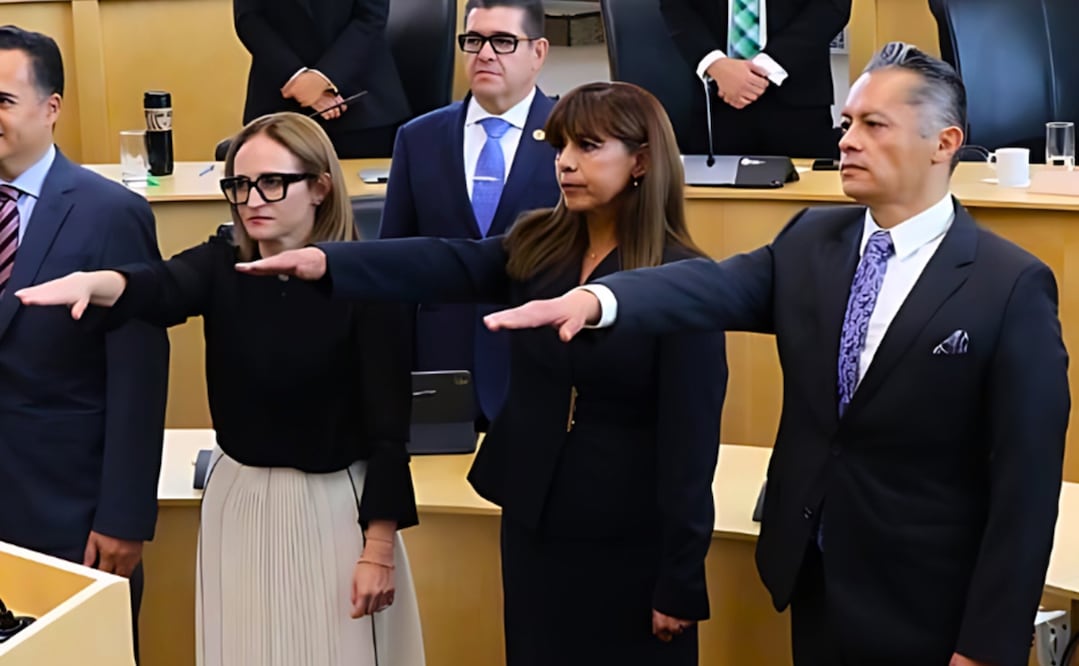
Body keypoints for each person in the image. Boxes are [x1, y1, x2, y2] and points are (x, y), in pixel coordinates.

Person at [484, 43, 1070, 666]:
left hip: (929, 602)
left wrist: (987, 646)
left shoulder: (1010, 285)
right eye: (847, 123)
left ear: (944, 143)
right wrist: (599, 298)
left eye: (874, 125)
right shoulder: (811, 239)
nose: (847, 141)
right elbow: (709, 287)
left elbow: (1026, 489)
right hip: (814, 579)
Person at [231, 82, 728, 665]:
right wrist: (328, 260)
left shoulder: (684, 280)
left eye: (589, 147)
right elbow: (443, 260)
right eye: (561, 147)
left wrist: (680, 576)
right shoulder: (539, 244)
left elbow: (692, 446)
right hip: (534, 520)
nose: (565, 163)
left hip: (630, 538)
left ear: (641, 161)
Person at [17, 112, 425, 666]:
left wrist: (378, 550)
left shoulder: (368, 281)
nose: (252, 200)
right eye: (239, 184)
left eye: (272, 182)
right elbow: (160, 285)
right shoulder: (222, 264)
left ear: (320, 187)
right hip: (238, 501)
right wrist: (96, 281)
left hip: (332, 508)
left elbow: (387, 433)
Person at [0, 24, 168, 656]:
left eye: (2, 100)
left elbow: (139, 379)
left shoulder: (110, 214)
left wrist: (124, 516)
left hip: (68, 510)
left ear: (52, 107)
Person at [378, 0, 561, 428]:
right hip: (440, 370)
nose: (485, 53)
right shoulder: (418, 138)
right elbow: (394, 266)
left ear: (538, 52)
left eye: (503, 41)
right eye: (474, 40)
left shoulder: (572, 137)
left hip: (538, 369)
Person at [660, 0, 850, 157]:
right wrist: (714, 63)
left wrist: (767, 66)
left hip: (798, 101)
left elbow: (833, 6)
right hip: (714, 100)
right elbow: (675, 6)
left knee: (808, 187)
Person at [233, 0, 410, 158]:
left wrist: (323, 77)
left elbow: (371, 16)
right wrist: (296, 77)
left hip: (362, 103)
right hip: (278, 100)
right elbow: (249, 18)